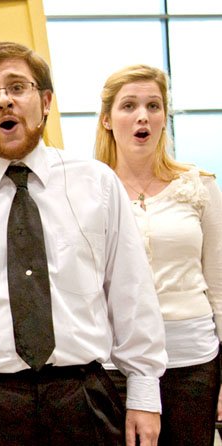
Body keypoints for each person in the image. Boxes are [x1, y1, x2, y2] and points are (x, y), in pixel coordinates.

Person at [0, 41, 168, 446]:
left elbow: (132, 293)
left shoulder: (96, 185)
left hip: (83, 398)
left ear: (44, 101)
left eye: (17, 87)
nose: (4, 100)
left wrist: (145, 394)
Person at [95, 64, 222, 446]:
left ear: (164, 117)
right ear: (106, 119)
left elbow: (219, 285)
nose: (142, 116)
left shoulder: (199, 186)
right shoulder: (88, 191)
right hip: (114, 364)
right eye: (129, 105)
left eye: (153, 105)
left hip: (192, 361)